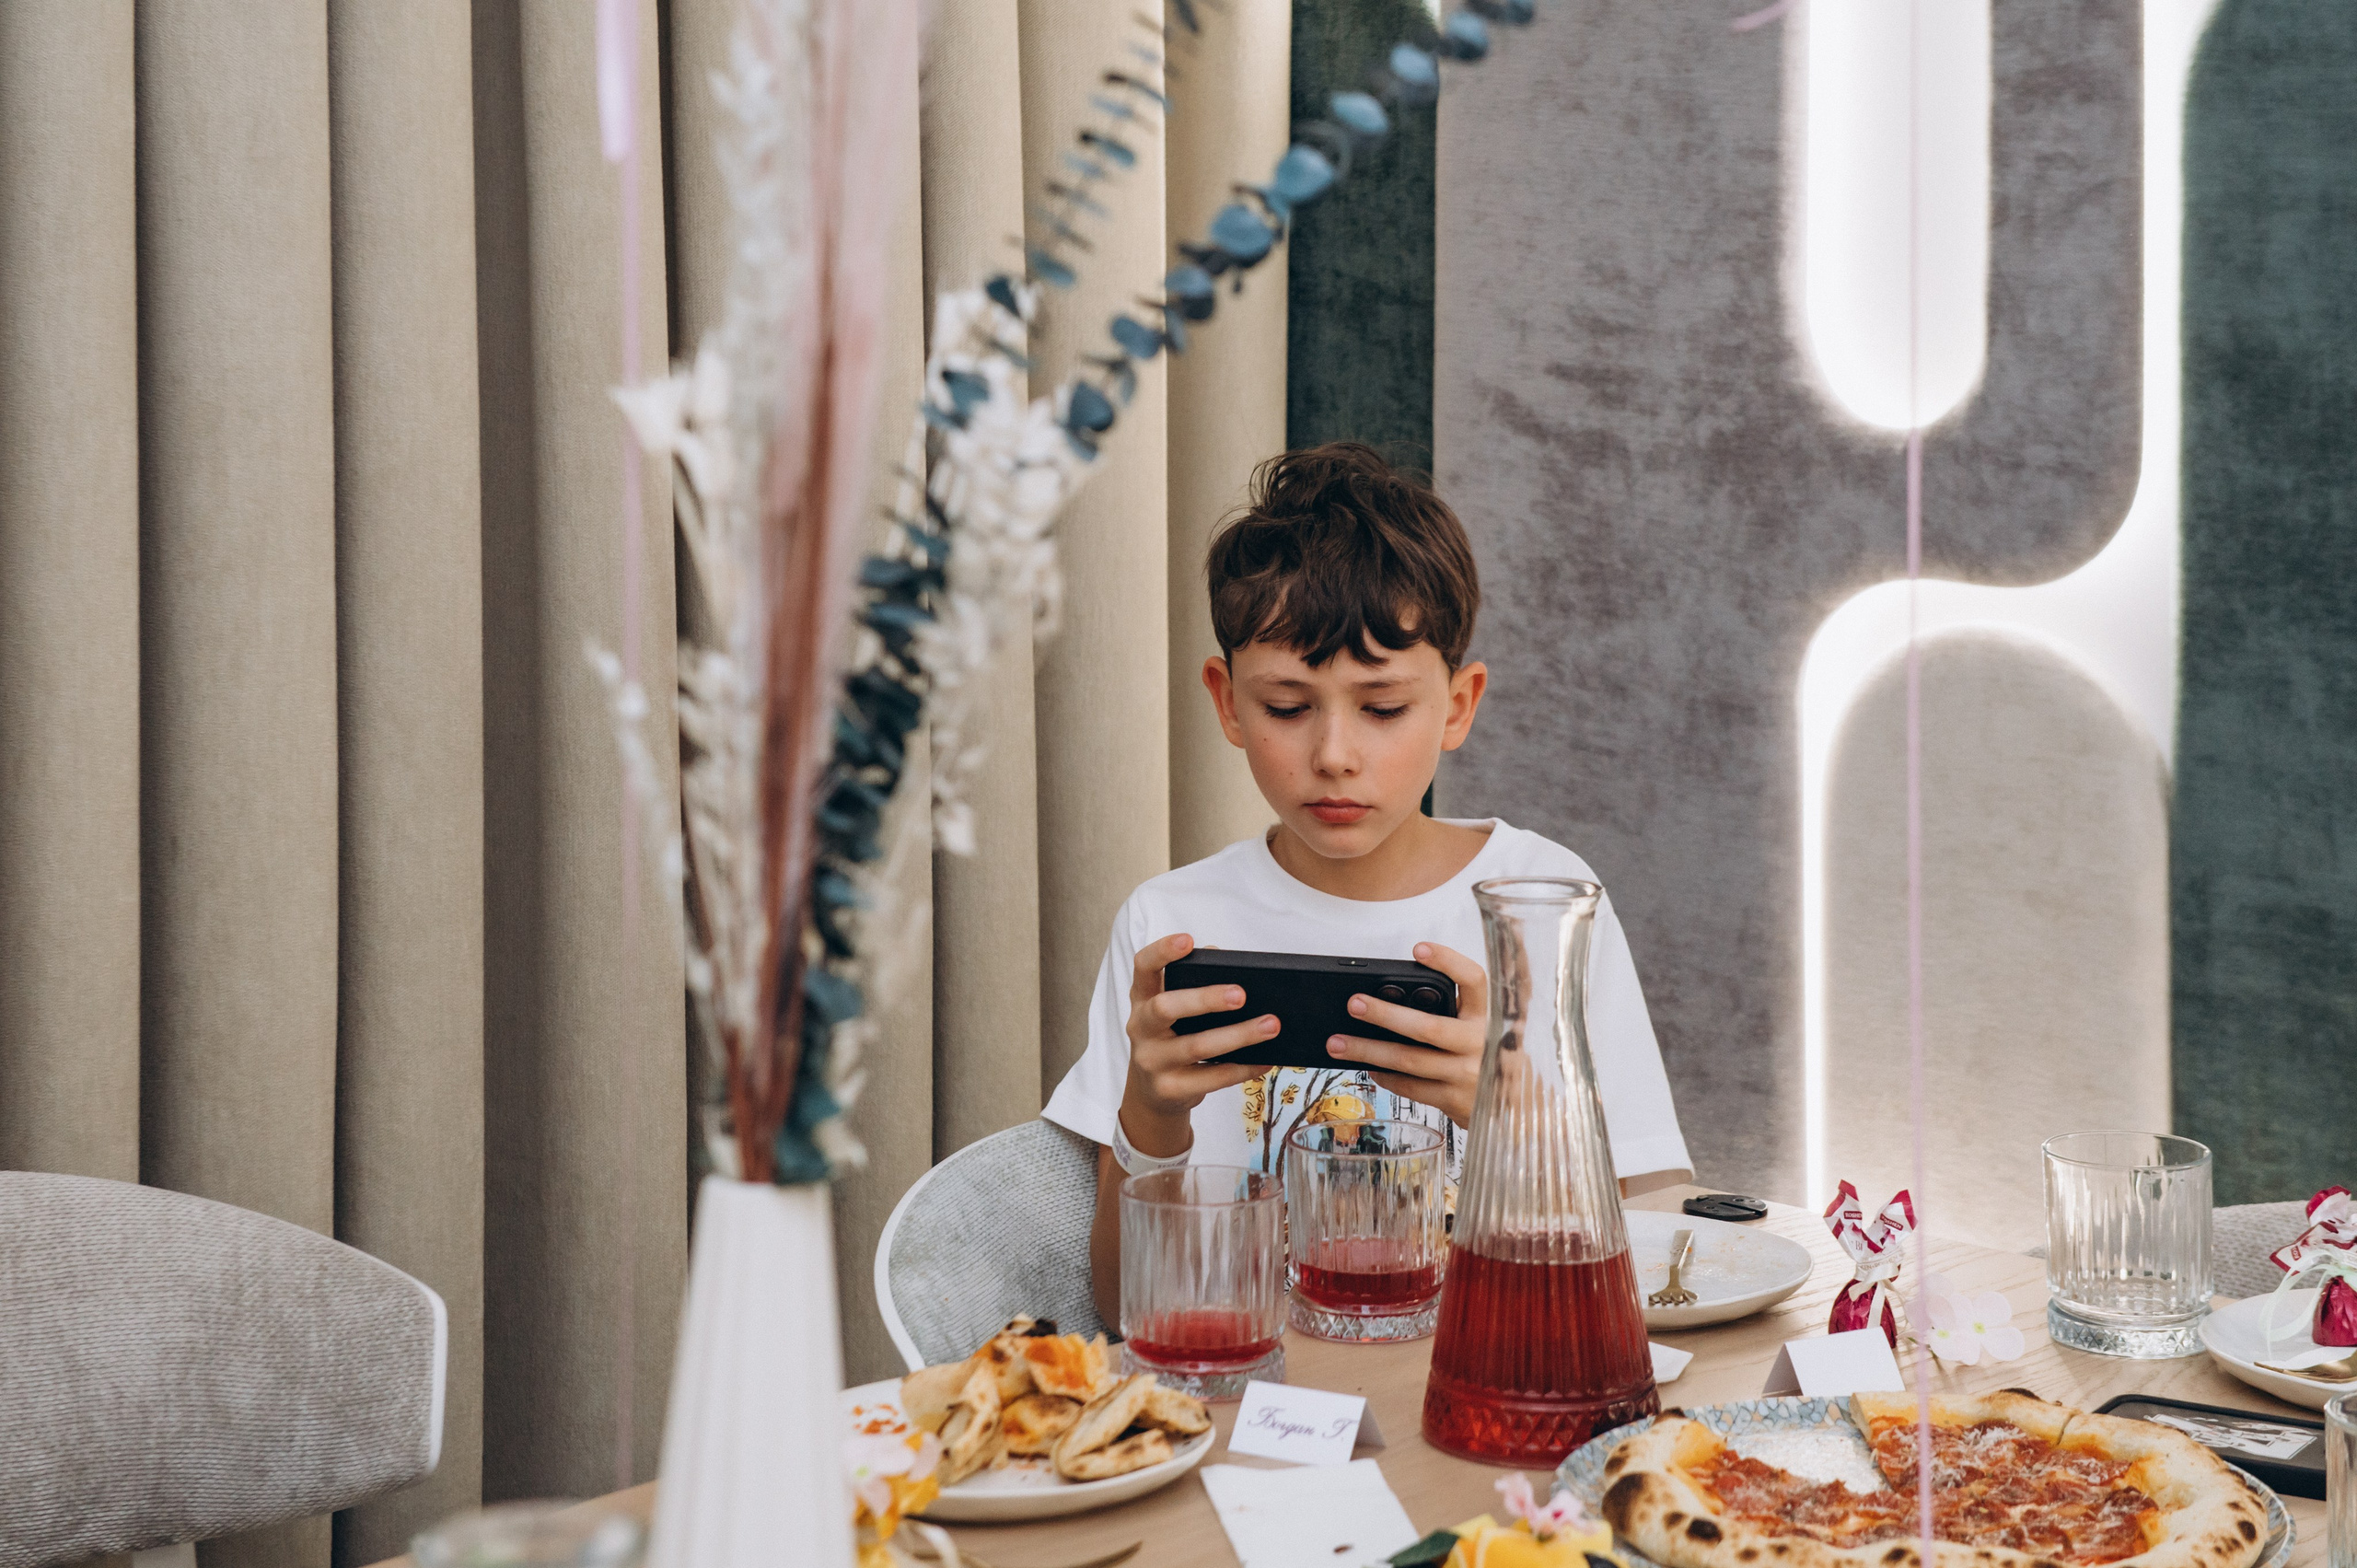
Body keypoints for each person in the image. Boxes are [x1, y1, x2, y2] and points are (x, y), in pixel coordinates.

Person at [1040, 442, 1692, 1327]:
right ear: (1226, 701)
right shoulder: (1172, 921)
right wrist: (1151, 1118)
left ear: (1458, 704)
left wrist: (1517, 1123)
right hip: (1257, 1390)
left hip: (1492, 1369)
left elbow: (1662, 1248)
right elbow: (1127, 1313)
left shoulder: (1543, 900)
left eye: (1383, 707)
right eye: (1286, 706)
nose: (1335, 754)